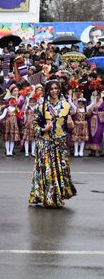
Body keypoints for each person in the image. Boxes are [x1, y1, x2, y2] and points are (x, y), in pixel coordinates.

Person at [29, 80, 76, 208]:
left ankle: (58, 196)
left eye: (56, 88)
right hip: (45, 143)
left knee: (60, 170)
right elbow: (34, 125)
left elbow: (70, 126)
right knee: (47, 170)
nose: (54, 91)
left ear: (59, 90)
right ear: (48, 91)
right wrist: (43, 129)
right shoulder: (42, 107)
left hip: (60, 143)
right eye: (51, 89)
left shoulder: (66, 106)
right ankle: (48, 198)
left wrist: (71, 125)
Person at [87, 91, 104, 157]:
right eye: (94, 95)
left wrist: (98, 113)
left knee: (98, 135)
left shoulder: (102, 102)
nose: (96, 96)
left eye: (97, 95)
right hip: (91, 120)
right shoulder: (91, 102)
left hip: (99, 121)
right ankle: (92, 151)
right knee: (91, 135)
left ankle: (100, 151)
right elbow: (87, 112)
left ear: (99, 95)